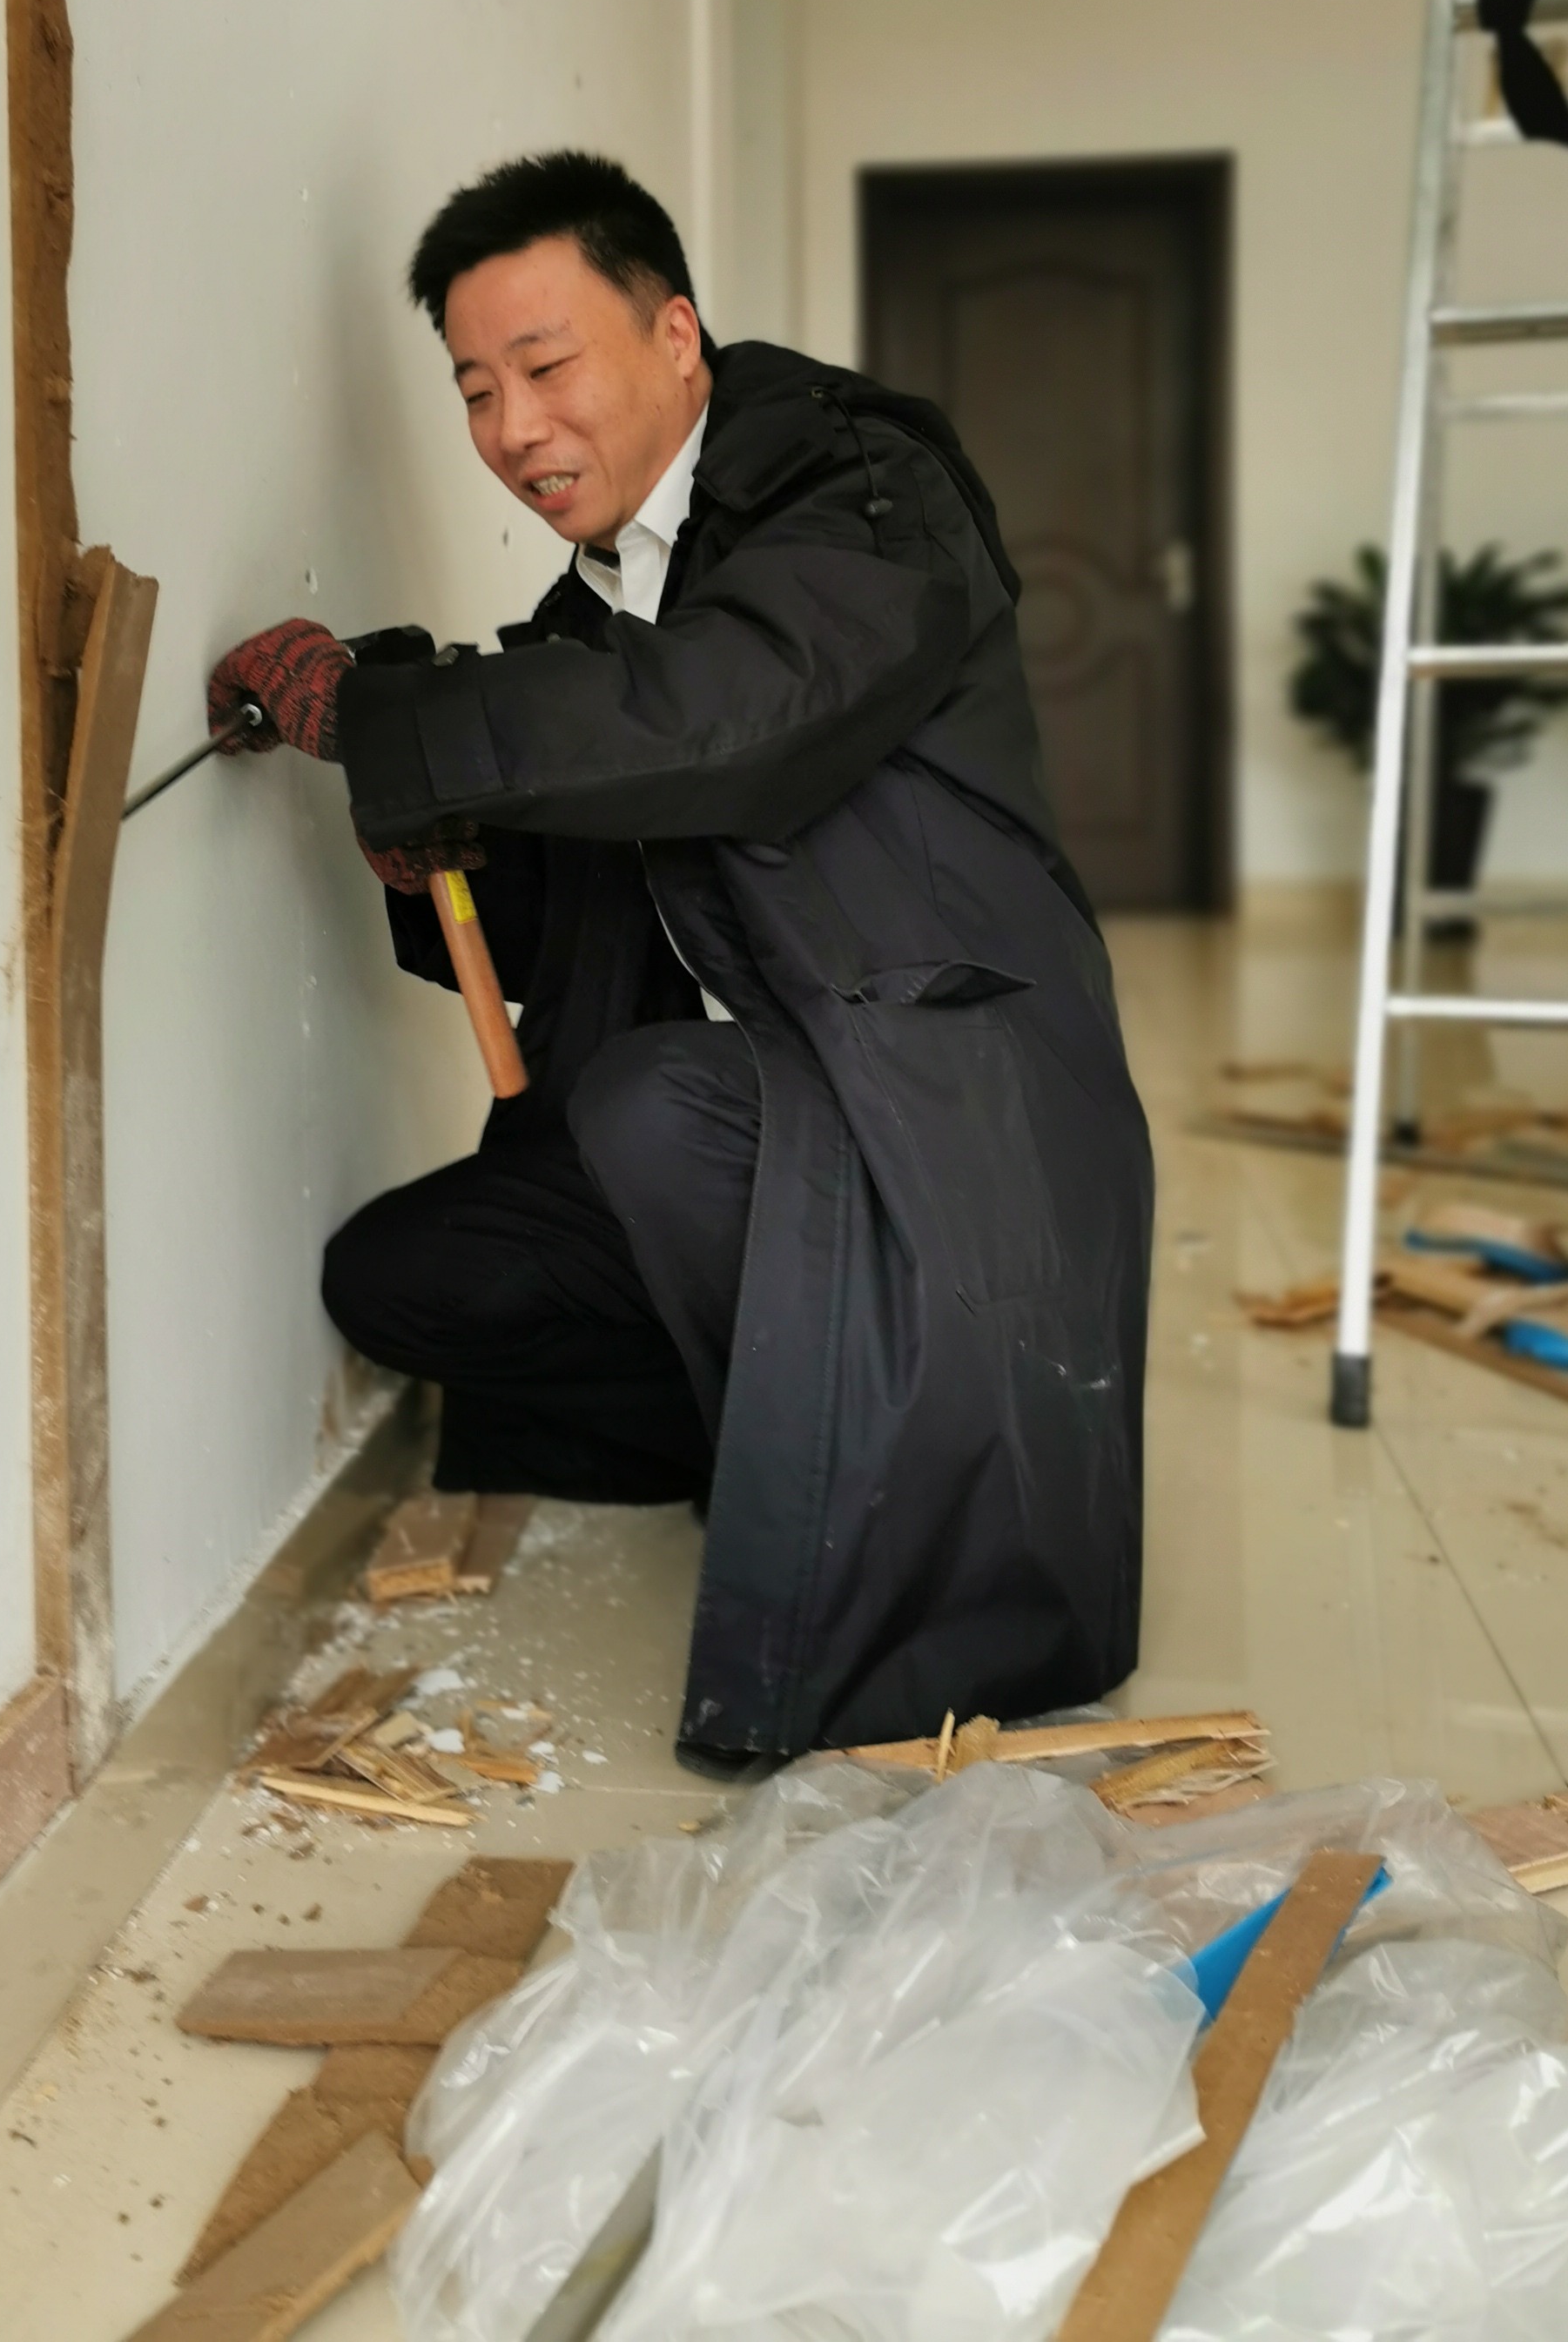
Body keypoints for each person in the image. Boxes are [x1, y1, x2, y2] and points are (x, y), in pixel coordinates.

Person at [207, 151, 1152, 1770]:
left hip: (935, 1101)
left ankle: (838, 1442)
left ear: (676, 336)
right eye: (477, 391)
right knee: (408, 1275)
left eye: (547, 366)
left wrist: (390, 722)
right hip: (736, 1124)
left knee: (651, 1107)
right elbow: (554, 923)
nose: (516, 428)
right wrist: (435, 834)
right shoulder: (592, 617)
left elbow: (732, 722)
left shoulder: (865, 491)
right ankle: (765, 1419)